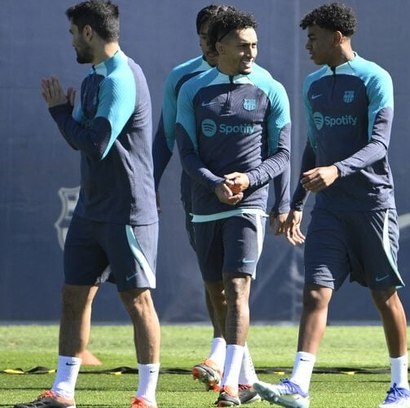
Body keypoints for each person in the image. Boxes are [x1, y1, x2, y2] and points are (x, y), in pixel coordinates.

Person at [254, 3, 410, 408]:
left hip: (372, 206)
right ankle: (298, 385)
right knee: (315, 293)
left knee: (384, 295)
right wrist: (296, 202)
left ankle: (401, 388)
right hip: (329, 211)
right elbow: (313, 146)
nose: (308, 45)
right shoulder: (312, 84)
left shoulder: (375, 78)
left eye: (314, 38)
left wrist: (337, 171)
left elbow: (379, 145)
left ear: (337, 38)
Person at [16, 1, 160, 408]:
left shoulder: (120, 78)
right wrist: (64, 114)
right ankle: (63, 391)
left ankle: (146, 397)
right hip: (91, 209)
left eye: (72, 33)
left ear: (88, 33)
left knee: (137, 299)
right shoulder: (95, 78)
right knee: (73, 295)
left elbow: (94, 144)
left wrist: (60, 112)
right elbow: (78, 138)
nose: (70, 42)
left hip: (127, 211)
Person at [152, 5, 277, 404]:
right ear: (203, 39)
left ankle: (226, 364)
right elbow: (166, 138)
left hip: (246, 197)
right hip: (198, 194)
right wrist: (149, 184)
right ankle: (245, 374)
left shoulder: (262, 81)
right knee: (216, 284)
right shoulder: (184, 78)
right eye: (208, 36)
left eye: (218, 35)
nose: (213, 43)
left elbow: (280, 148)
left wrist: (283, 199)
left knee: (235, 283)